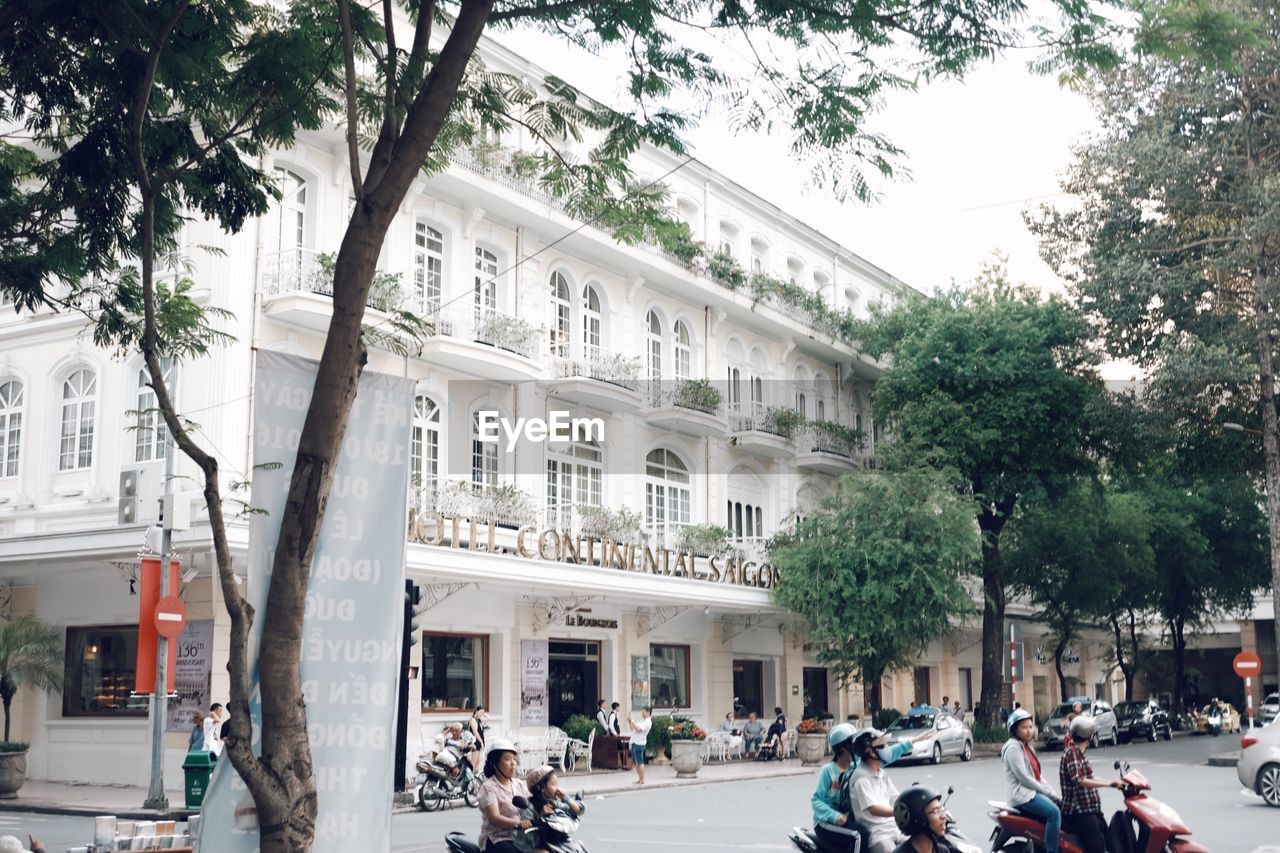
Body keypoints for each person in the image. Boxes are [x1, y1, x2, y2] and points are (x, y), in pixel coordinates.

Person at [1059, 715, 1122, 853]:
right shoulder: (1072, 753)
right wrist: (1108, 784)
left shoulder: (1079, 753)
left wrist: (1112, 782)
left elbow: (1090, 777)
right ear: (1090, 737)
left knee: (1109, 840)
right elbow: (1079, 780)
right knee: (1097, 848)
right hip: (1079, 811)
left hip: (1090, 809)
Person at [1002, 708, 1061, 853]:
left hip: (1031, 792)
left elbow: (1037, 776)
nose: (1029, 731)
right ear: (1014, 730)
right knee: (1054, 813)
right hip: (1022, 795)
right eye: (1024, 728)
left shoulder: (1027, 747)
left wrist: (1053, 793)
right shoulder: (1013, 748)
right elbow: (1024, 778)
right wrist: (1048, 794)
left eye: (1030, 726)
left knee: (1060, 807)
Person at [849, 728, 906, 853]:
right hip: (877, 834)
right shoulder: (861, 777)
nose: (886, 748)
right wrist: (897, 813)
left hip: (894, 829)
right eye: (881, 745)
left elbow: (895, 797)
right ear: (870, 751)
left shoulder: (882, 773)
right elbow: (873, 808)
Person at [810, 723, 864, 852]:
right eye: (852, 744)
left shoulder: (855, 768)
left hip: (845, 820)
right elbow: (816, 801)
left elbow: (882, 759)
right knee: (858, 836)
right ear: (844, 748)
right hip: (825, 823)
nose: (855, 748)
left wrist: (910, 743)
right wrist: (834, 816)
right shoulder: (828, 771)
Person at [477, 739, 535, 853]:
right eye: (507, 759)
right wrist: (518, 824)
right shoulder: (489, 787)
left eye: (514, 759)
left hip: (521, 837)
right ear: (495, 764)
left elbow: (531, 803)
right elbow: (494, 817)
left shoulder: (518, 783)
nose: (513, 763)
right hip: (498, 839)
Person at [522, 765, 587, 853]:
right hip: (539, 845)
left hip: (559, 842)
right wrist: (540, 815)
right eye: (553, 784)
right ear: (541, 788)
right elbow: (525, 826)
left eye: (557, 784)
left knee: (579, 846)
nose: (557, 788)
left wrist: (566, 798)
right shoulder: (531, 806)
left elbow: (578, 811)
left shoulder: (556, 803)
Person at [892, 785, 951, 853]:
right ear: (918, 817)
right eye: (935, 811)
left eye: (942, 809)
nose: (944, 816)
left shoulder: (942, 850)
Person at [626, 707, 652, 784]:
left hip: (639, 743)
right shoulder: (642, 721)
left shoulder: (647, 722)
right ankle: (640, 778)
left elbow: (638, 729)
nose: (642, 713)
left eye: (643, 712)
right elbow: (633, 728)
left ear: (648, 712)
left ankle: (642, 779)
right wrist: (630, 721)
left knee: (639, 762)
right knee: (636, 762)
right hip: (634, 742)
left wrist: (633, 721)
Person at [469, 706, 489, 772]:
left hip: (479, 742)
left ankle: (476, 778)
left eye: (482, 713)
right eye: (480, 712)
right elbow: (475, 732)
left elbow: (487, 719)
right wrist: (481, 741)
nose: (481, 714)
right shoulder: (473, 720)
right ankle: (471, 777)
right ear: (476, 711)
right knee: (474, 762)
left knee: (478, 762)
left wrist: (484, 715)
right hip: (475, 742)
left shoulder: (479, 720)